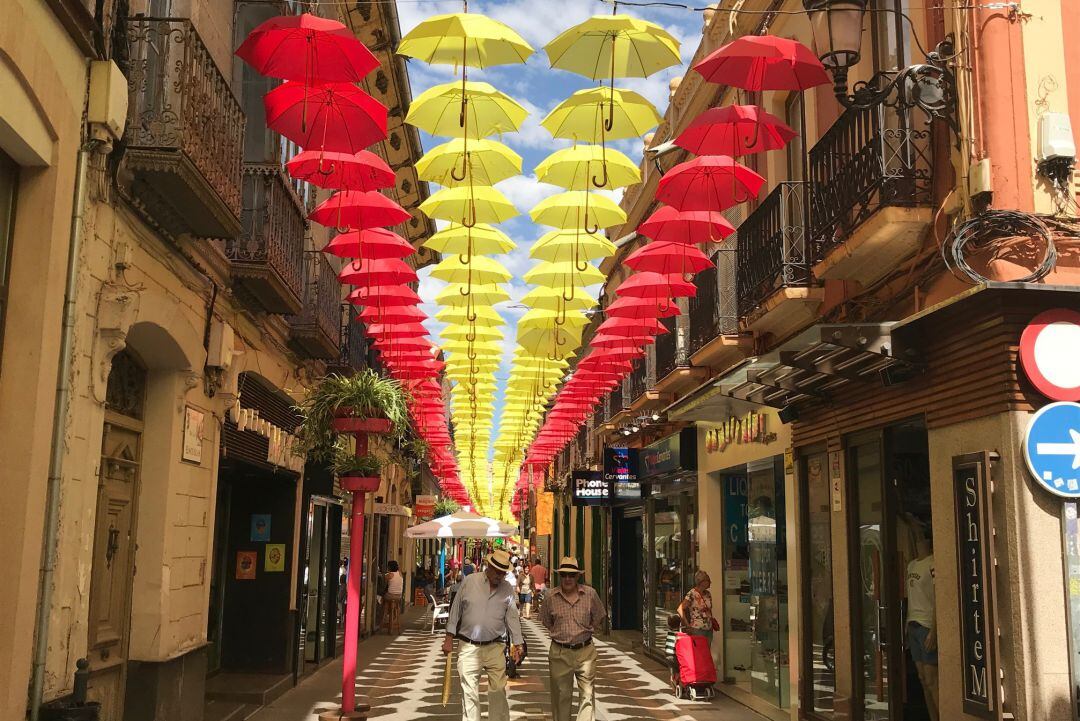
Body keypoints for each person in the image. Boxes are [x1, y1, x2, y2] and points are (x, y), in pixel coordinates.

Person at [442, 550, 523, 721]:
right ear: (489, 566)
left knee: (498, 691)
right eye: (497, 571)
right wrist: (449, 638)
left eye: (503, 572)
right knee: (469, 692)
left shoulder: (507, 589)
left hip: (495, 646)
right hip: (468, 646)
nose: (500, 575)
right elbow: (455, 610)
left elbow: (512, 618)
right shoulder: (471, 581)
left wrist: (518, 644)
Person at [539, 557, 607, 721]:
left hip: (585, 651)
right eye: (564, 575)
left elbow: (599, 616)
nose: (567, 579)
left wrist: (587, 629)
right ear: (560, 576)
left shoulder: (590, 594)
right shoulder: (550, 597)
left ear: (577, 577)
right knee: (561, 696)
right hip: (560, 652)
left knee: (587, 695)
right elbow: (546, 621)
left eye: (571, 575)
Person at [906, 531, 938, 721]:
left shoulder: (933, 563)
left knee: (932, 679)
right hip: (913, 625)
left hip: (927, 626)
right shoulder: (911, 565)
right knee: (923, 679)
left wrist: (934, 631)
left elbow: (937, 597)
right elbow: (910, 598)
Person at [677, 570, 718, 645]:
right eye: (708, 580)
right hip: (697, 629)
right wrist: (687, 625)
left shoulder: (707, 594)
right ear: (701, 582)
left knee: (706, 653)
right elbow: (680, 609)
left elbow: (709, 609)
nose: (710, 582)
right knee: (699, 653)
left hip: (709, 629)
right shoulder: (692, 593)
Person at [382, 560, 404, 634]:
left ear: (389, 567)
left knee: (382, 598)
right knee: (394, 605)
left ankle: (385, 615)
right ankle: (394, 616)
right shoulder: (400, 574)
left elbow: (384, 578)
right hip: (399, 596)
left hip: (390, 596)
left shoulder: (389, 574)